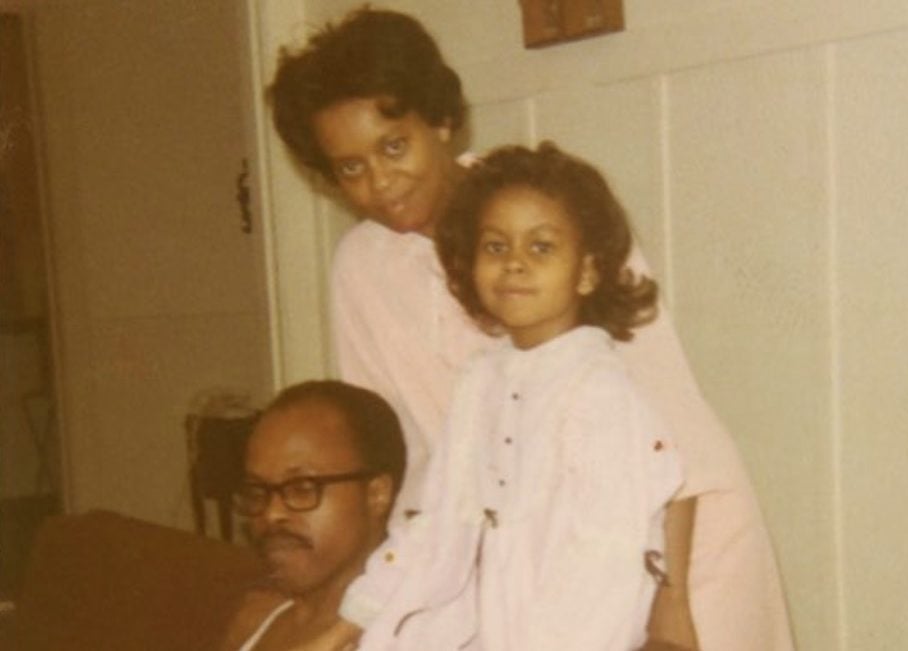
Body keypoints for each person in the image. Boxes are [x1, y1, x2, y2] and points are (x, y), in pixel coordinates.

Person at [268, 7, 794, 650]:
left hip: (676, 542)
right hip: (522, 570)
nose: (380, 182)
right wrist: (367, 607)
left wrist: (671, 600)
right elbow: (402, 461)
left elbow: (670, 422)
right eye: (350, 168)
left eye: (394, 146)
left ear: (440, 120)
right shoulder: (361, 269)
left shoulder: (546, 213)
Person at [217, 380, 407, 651]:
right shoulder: (258, 619)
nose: (271, 514)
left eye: (302, 488)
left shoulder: (408, 634)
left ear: (376, 494)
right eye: (257, 491)